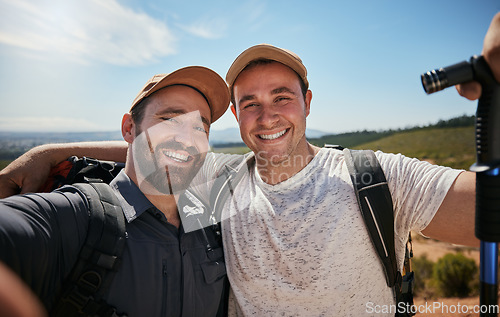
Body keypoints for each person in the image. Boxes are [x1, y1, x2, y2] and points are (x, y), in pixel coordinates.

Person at [2, 12, 500, 317]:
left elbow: (486, 213)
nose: (267, 116)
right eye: (250, 104)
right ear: (236, 115)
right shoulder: (221, 184)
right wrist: (53, 153)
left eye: (282, 97)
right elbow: (160, 153)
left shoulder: (377, 179)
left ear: (308, 101)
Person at [0, 66, 231, 316]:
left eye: (200, 128)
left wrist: (53, 153)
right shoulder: (76, 218)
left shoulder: (213, 228)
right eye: (169, 119)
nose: (187, 139)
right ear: (129, 129)